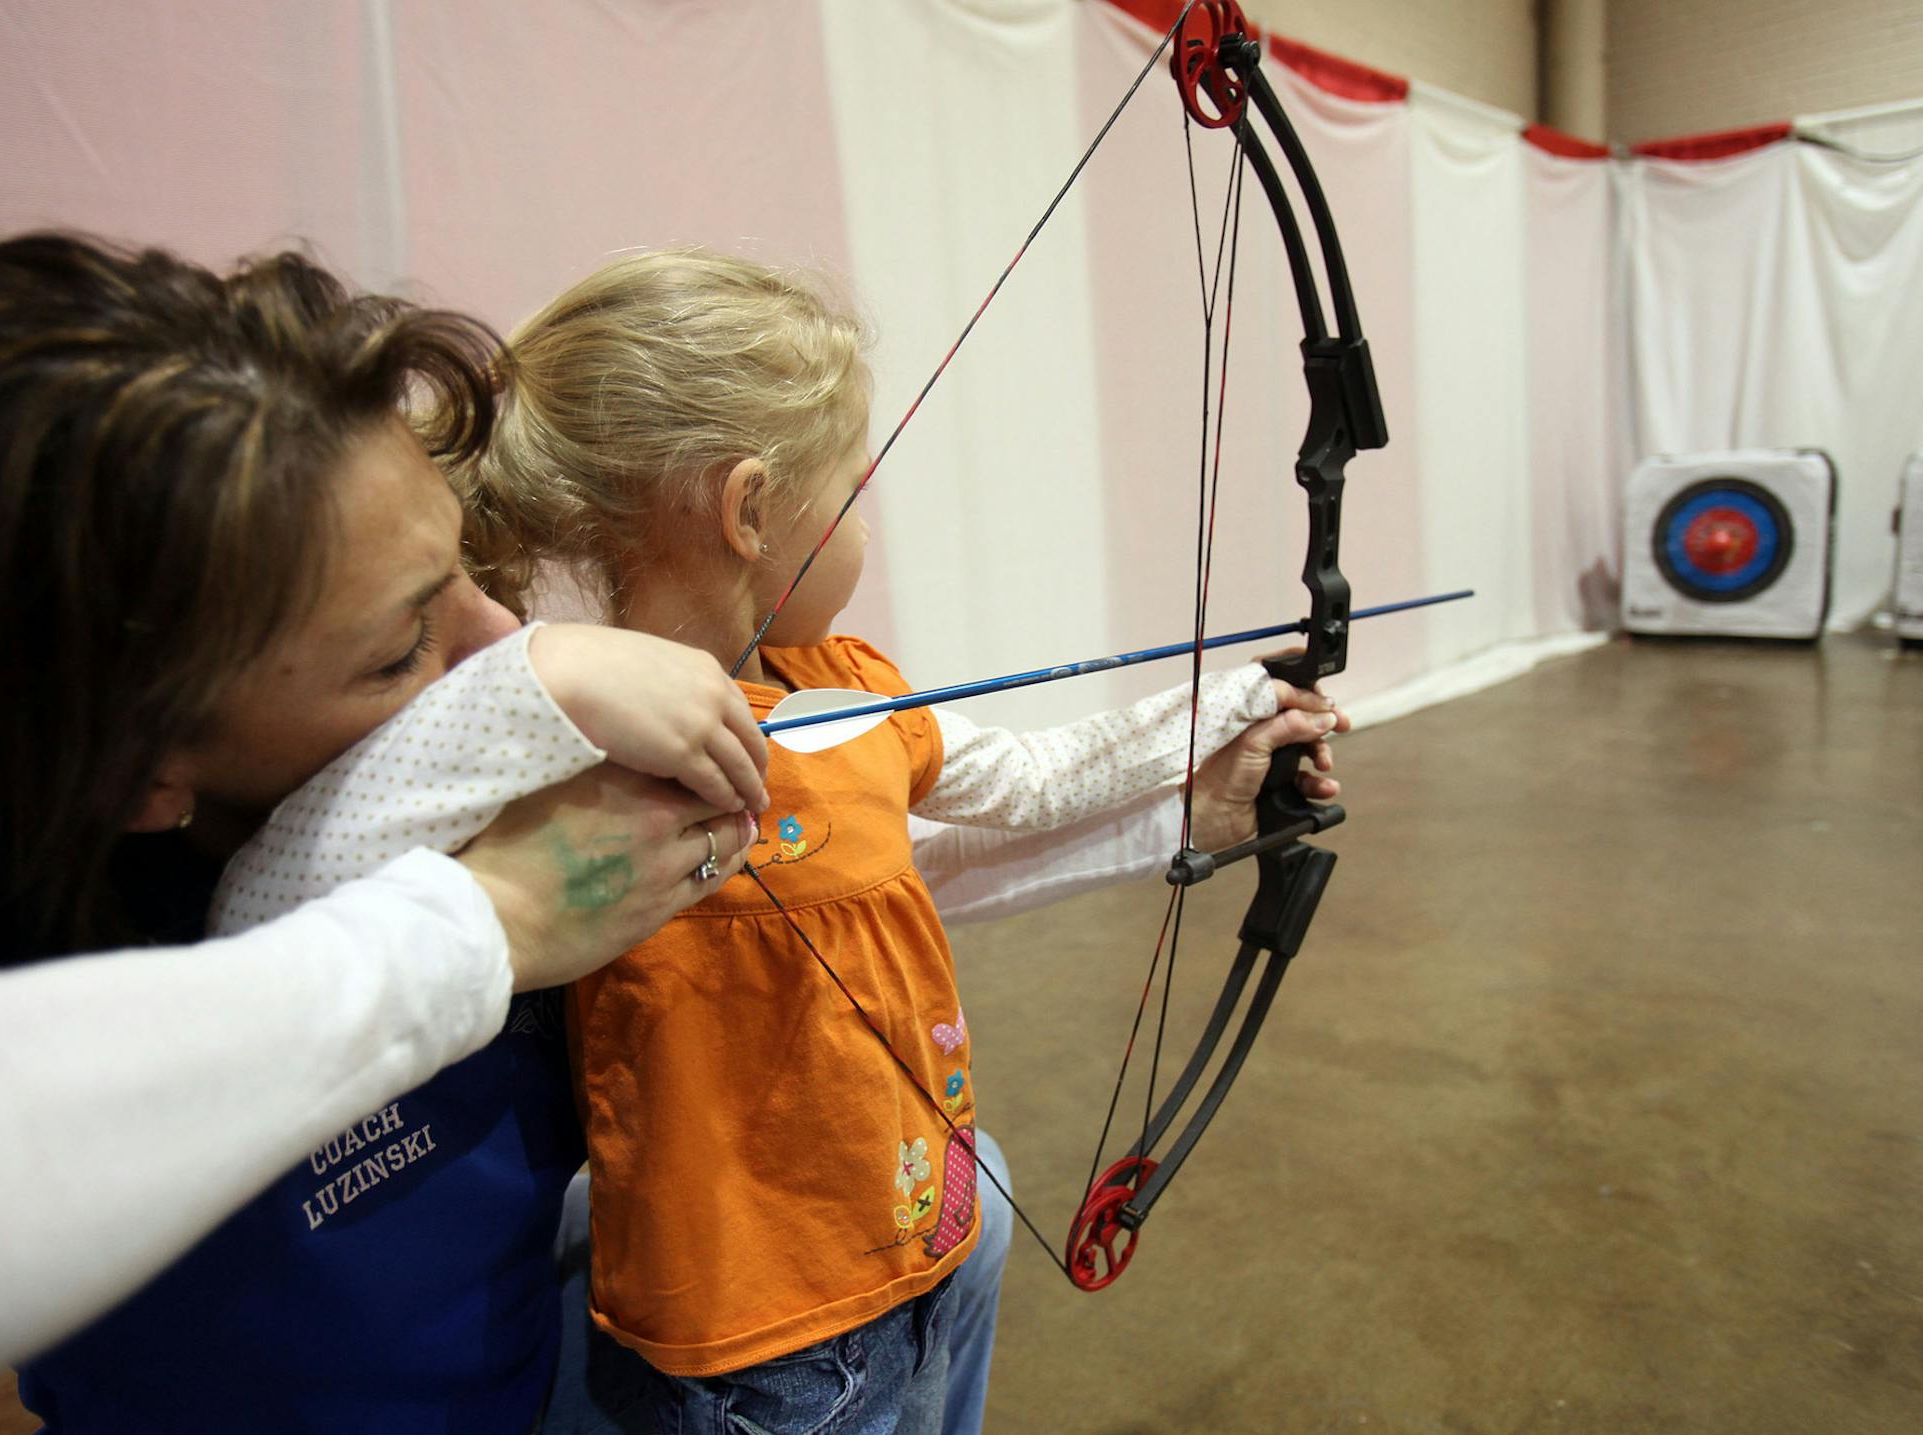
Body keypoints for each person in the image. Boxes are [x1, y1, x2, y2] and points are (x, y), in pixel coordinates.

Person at [224, 247, 1351, 1432]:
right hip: (765, 1346)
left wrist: (1225, 722)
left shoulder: (848, 687)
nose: (863, 514)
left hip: (919, 1230)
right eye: (849, 488)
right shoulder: (561, 756)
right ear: (752, 508)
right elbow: (271, 893)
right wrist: (534, 686)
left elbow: (1019, 785)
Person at [0, 233, 766, 1433]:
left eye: (468, 574)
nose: (509, 649)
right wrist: (490, 923)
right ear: (128, 767)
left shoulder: (458, 773)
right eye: (401, 649)